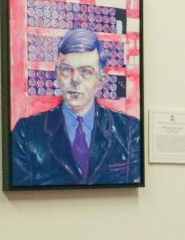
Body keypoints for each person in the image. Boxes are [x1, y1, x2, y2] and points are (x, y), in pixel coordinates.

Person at [10, 28, 141, 187]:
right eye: (66, 70)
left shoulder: (129, 130)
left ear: (100, 80)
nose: (74, 80)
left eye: (85, 72)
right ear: (57, 75)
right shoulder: (26, 133)